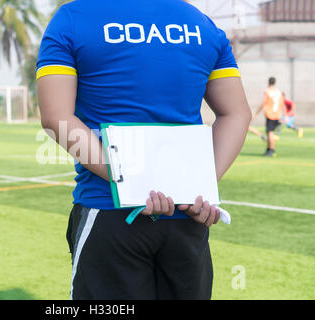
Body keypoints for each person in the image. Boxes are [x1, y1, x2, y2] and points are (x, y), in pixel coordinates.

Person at [37, 0, 251, 300]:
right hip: (186, 216)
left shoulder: (73, 17)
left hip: (111, 212)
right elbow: (236, 114)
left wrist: (131, 180)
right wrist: (196, 185)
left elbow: (55, 118)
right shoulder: (203, 26)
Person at [254, 77, 284, 157]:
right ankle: (268, 149)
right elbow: (281, 103)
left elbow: (264, 103)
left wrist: (256, 113)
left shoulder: (267, 91)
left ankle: (271, 150)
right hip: (277, 114)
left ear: (268, 82)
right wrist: (283, 114)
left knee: (270, 133)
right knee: (268, 132)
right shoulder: (278, 92)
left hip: (270, 114)